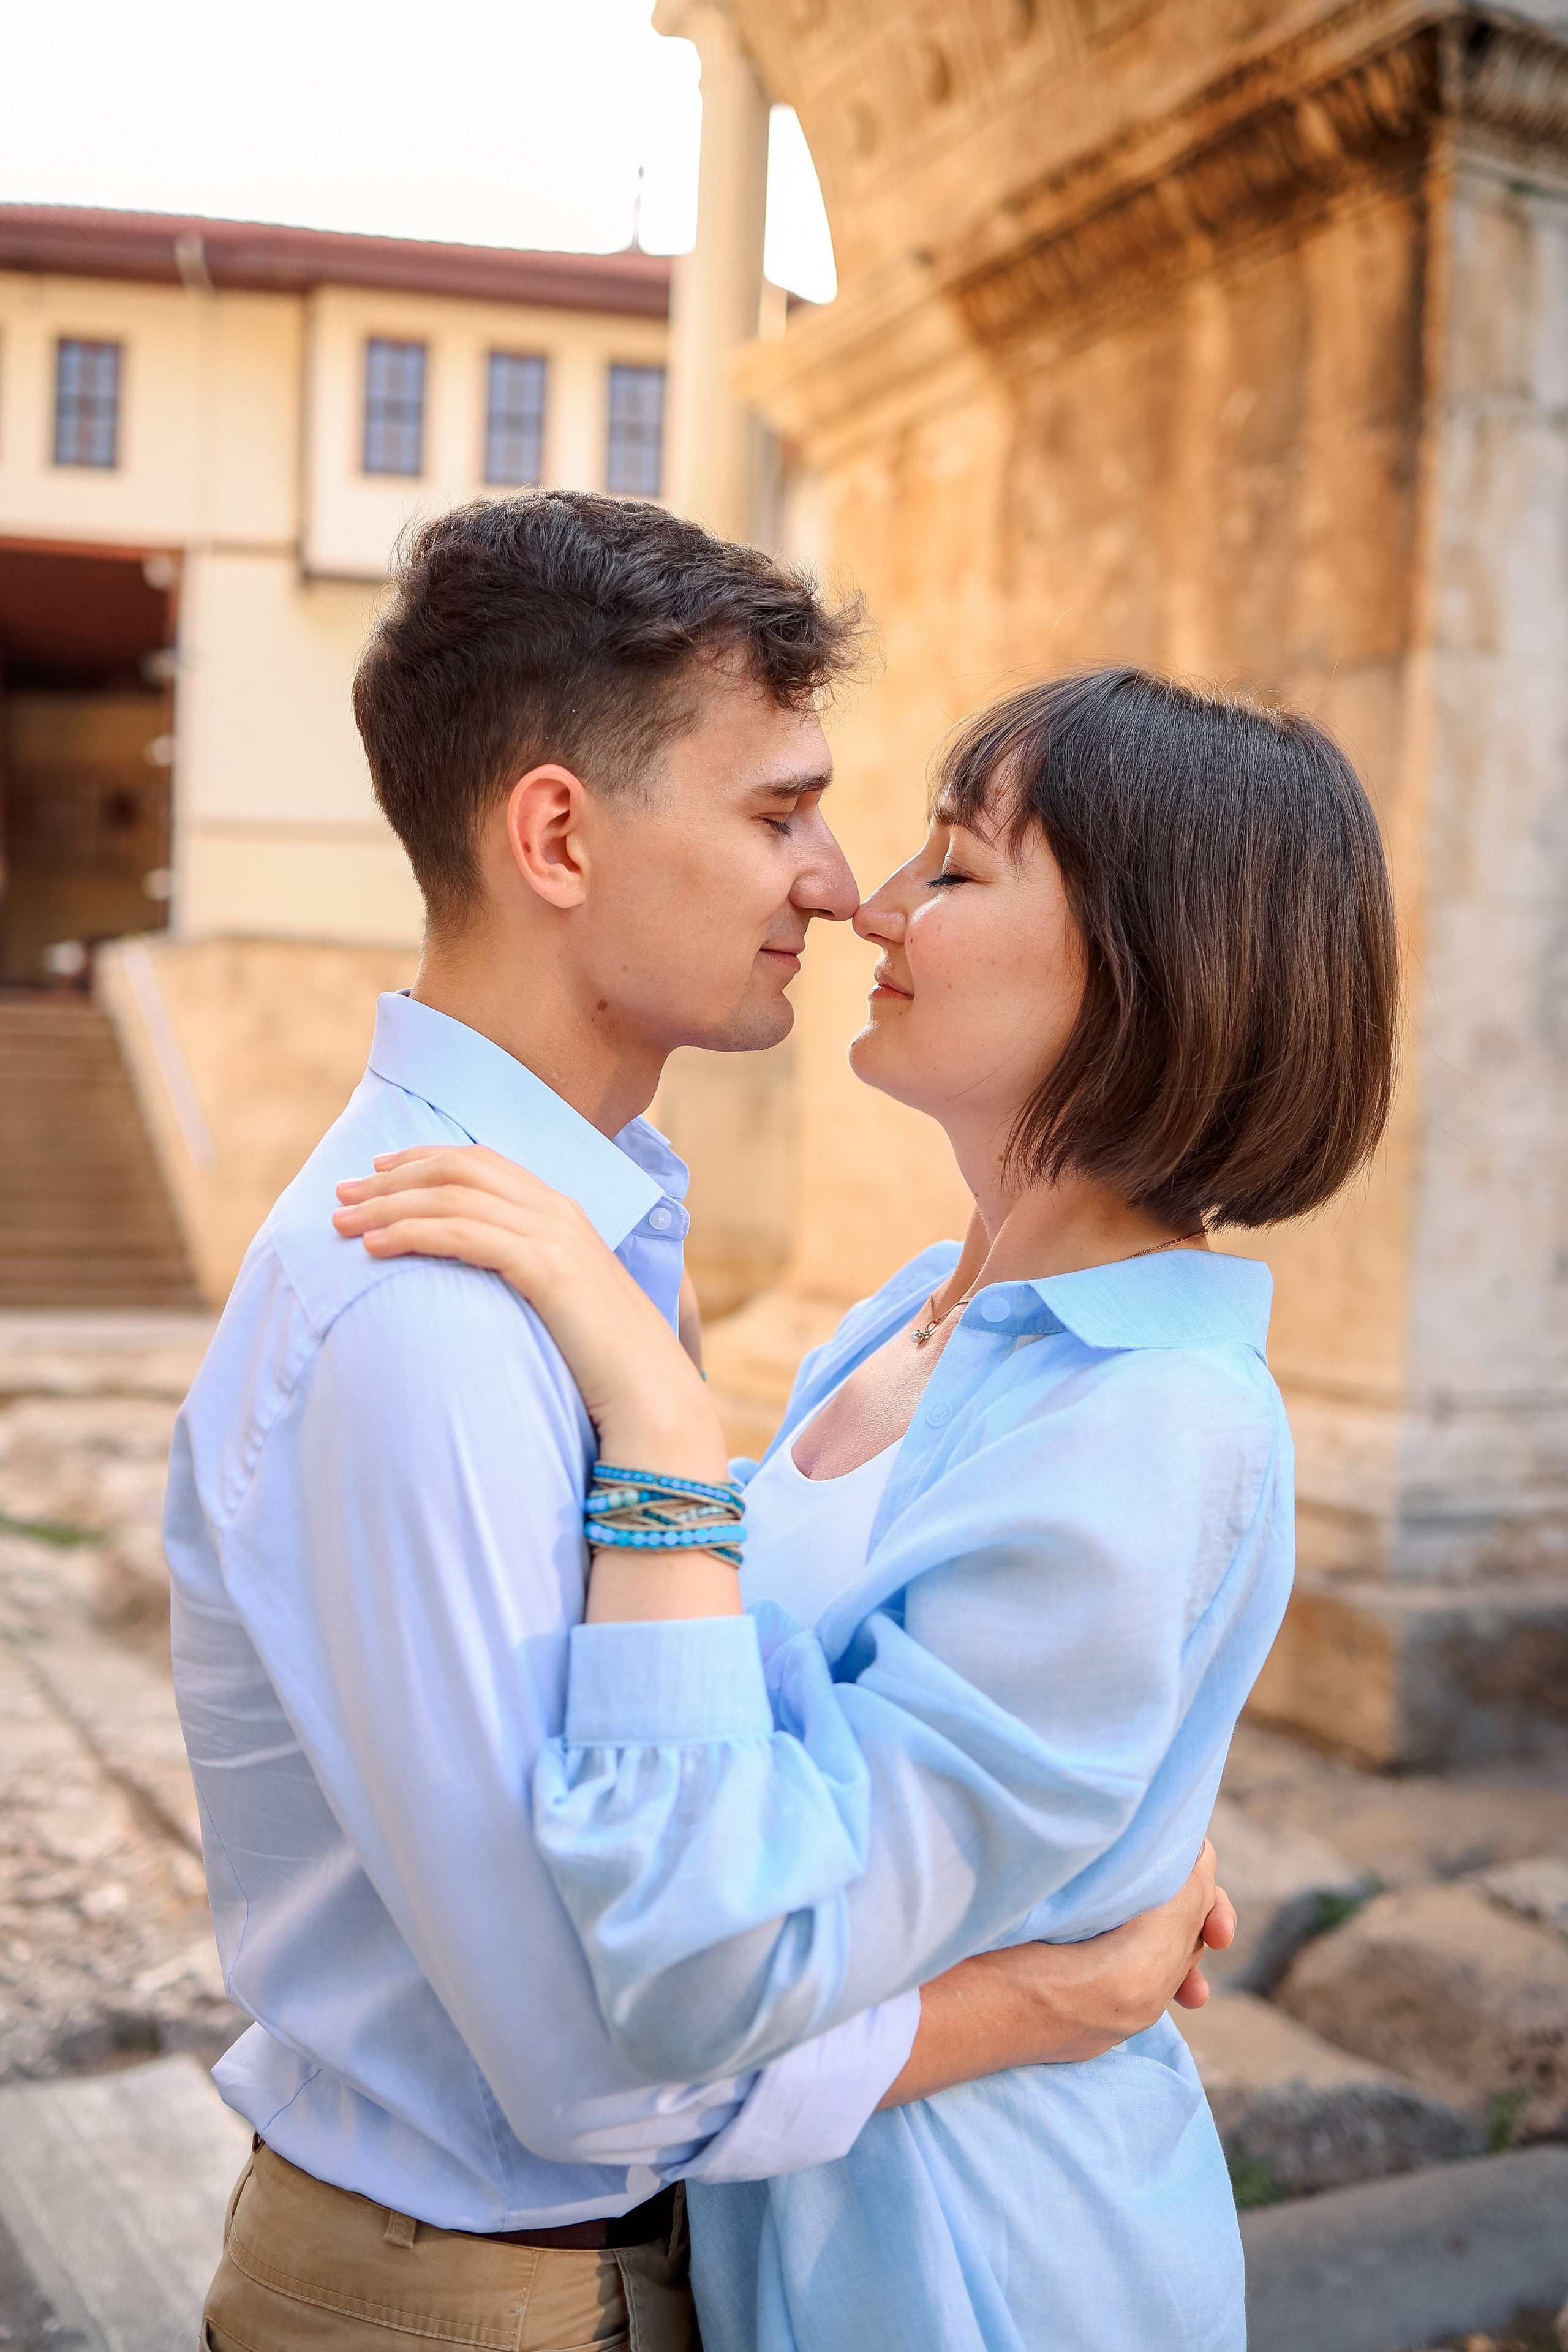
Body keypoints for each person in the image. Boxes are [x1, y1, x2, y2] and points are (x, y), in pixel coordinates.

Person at [168, 497, 1232, 2352]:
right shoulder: (431, 1312)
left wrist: (1090, 1828)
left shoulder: (570, 1243)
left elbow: (758, 1744)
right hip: (478, 2301)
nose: (839, 884)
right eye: (778, 813)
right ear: (560, 835)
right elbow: (595, 2067)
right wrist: (1051, 1996)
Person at [337, 665, 1400, 2351]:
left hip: (978, 2271)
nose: (874, 904)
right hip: (805, 2241)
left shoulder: (1150, 1425)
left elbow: (714, 1965)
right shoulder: (919, 1310)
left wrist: (663, 1419)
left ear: (1146, 963)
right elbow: (746, 1749)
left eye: (960, 870)